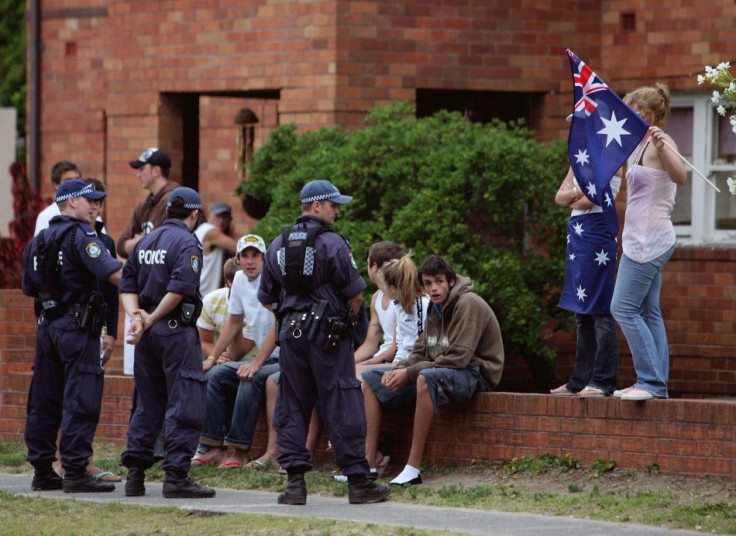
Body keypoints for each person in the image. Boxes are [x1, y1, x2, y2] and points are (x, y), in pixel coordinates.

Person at [258, 179, 390, 505]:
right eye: (333, 205)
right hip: (328, 340)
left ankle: (294, 485)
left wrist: (292, 314)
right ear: (316, 206)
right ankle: (358, 482)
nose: (337, 211)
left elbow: (267, 298)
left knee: (292, 405)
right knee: (343, 401)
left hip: (290, 337)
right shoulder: (332, 243)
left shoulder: (277, 244)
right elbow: (356, 294)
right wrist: (342, 322)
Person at [361, 255, 504, 486]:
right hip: (446, 369)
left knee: (424, 379)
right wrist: (398, 369)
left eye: (438, 281)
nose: (433, 288)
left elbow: (459, 358)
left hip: (475, 373)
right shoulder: (435, 308)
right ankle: (368, 465)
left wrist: (409, 373)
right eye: (428, 283)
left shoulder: (468, 303)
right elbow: (421, 351)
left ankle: (413, 468)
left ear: (450, 280)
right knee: (370, 380)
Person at [21, 179, 123, 493]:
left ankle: (43, 470)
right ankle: (76, 470)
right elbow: (113, 273)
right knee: (81, 396)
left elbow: (28, 287)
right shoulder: (82, 235)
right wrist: (147, 272)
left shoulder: (38, 239)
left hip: (47, 327)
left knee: (44, 399)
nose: (94, 206)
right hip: (77, 328)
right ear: (71, 202)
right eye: (89, 200)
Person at [119, 186, 215, 499]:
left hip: (147, 338)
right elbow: (178, 290)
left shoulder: (145, 241)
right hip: (174, 332)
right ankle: (176, 476)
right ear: (194, 213)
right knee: (185, 399)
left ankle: (136, 475)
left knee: (147, 402)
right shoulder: (188, 242)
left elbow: (126, 284)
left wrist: (137, 317)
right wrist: (151, 317)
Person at [610, 84, 687, 401]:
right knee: (648, 311)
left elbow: (680, 175)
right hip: (640, 238)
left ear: (648, 113)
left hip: (648, 240)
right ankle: (657, 384)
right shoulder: (638, 144)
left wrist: (664, 145)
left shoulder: (661, 141)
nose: (628, 114)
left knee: (623, 307)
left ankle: (651, 382)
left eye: (633, 109)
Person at [195, 234, 281, 469]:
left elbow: (279, 325)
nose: (250, 261)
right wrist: (212, 358)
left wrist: (256, 363)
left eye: (255, 256)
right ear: (238, 258)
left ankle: (238, 451)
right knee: (215, 375)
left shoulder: (273, 279)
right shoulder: (240, 280)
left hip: (284, 356)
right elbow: (234, 323)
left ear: (264, 258)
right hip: (264, 357)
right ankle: (212, 447)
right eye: (245, 256)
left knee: (250, 377)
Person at [549, 166, 621, 398]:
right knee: (582, 314)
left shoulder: (611, 157)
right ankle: (578, 381)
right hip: (578, 238)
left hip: (599, 236)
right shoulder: (578, 159)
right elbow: (560, 197)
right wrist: (572, 197)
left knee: (600, 312)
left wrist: (572, 198)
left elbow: (590, 199)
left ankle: (602, 381)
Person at [353, 241, 404, 376]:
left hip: (398, 360)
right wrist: (348, 363)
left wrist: (360, 366)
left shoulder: (401, 295)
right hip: (381, 357)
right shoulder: (377, 297)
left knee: (354, 375)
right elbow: (370, 344)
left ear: (374, 266)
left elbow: (395, 348)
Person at [196, 256, 247, 361]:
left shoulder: (260, 303)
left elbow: (238, 354)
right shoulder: (211, 301)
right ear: (228, 281)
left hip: (252, 356)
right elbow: (204, 341)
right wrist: (216, 356)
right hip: (222, 355)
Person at [194, 201, 238, 297]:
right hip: (203, 294)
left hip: (200, 291)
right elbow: (239, 248)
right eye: (218, 216)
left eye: (225, 217)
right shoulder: (210, 231)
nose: (221, 221)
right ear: (209, 216)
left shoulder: (201, 230)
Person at [33, 161, 82, 236]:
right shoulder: (46, 216)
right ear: (55, 184)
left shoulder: (89, 212)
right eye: (68, 181)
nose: (74, 184)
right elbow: (39, 246)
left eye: (77, 180)